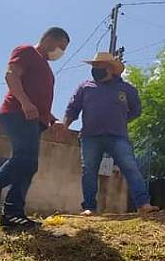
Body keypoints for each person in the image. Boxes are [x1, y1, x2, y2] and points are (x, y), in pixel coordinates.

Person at [0, 27, 70, 228]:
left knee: (29, 164)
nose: (60, 53)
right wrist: (24, 102)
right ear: (49, 39)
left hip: (33, 120)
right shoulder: (26, 51)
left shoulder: (46, 68)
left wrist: (53, 120)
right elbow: (11, 75)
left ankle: (13, 214)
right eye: (60, 47)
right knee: (24, 159)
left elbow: (40, 104)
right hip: (17, 113)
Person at [60, 52, 159, 216]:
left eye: (99, 66)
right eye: (94, 66)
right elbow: (72, 109)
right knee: (89, 171)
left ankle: (143, 204)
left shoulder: (126, 89)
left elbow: (136, 111)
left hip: (118, 136)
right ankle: (89, 207)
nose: (95, 69)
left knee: (130, 167)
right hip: (90, 136)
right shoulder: (85, 87)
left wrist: (120, 120)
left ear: (111, 68)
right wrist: (64, 126)